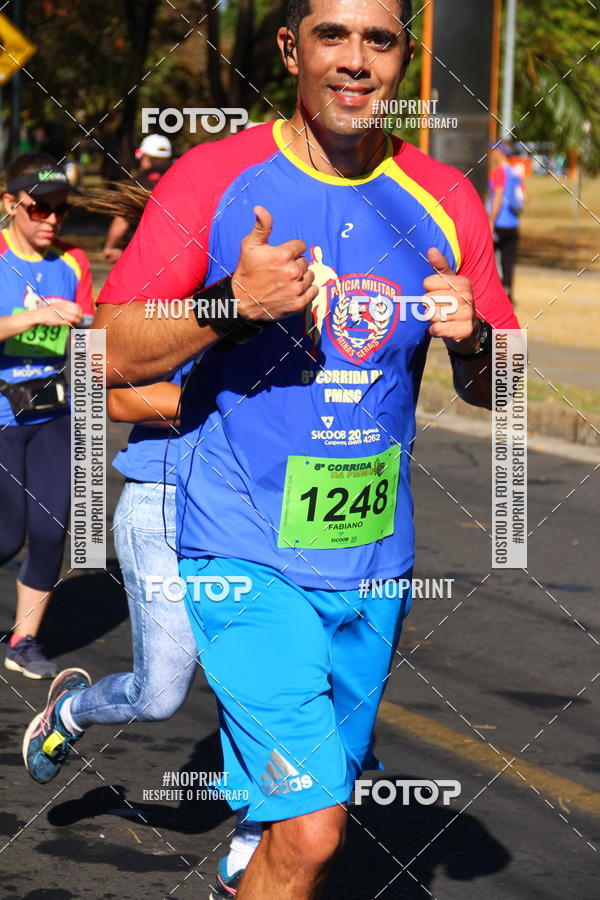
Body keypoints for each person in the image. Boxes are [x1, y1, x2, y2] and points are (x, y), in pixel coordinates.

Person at [74, 0, 521, 895]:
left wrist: (474, 341)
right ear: (290, 48)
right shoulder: (216, 177)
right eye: (333, 35)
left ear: (403, 56)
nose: (356, 62)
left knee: (309, 814)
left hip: (370, 558)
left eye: (380, 39)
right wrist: (227, 304)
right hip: (240, 548)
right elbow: (105, 349)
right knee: (313, 829)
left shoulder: (445, 196)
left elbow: (499, 388)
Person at [0, 152, 94, 679]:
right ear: (11, 204)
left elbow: (85, 347)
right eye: (40, 208)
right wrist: (34, 316)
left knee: (55, 527)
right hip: (2, 417)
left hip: (56, 413)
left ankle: (24, 641)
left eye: (61, 208)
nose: (53, 219)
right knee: (7, 537)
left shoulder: (74, 262)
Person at [102, 134, 173, 263]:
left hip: (142, 255)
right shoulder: (180, 179)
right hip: (177, 254)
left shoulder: (138, 184)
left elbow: (122, 219)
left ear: (146, 158)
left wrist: (110, 247)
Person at [488, 140, 526, 303]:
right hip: (513, 224)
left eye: (493, 150)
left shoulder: (498, 172)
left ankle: (494, 297)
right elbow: (524, 197)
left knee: (492, 261)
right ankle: (508, 295)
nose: (491, 154)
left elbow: (497, 196)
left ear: (500, 152)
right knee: (508, 262)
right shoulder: (514, 172)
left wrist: (491, 220)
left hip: (499, 224)